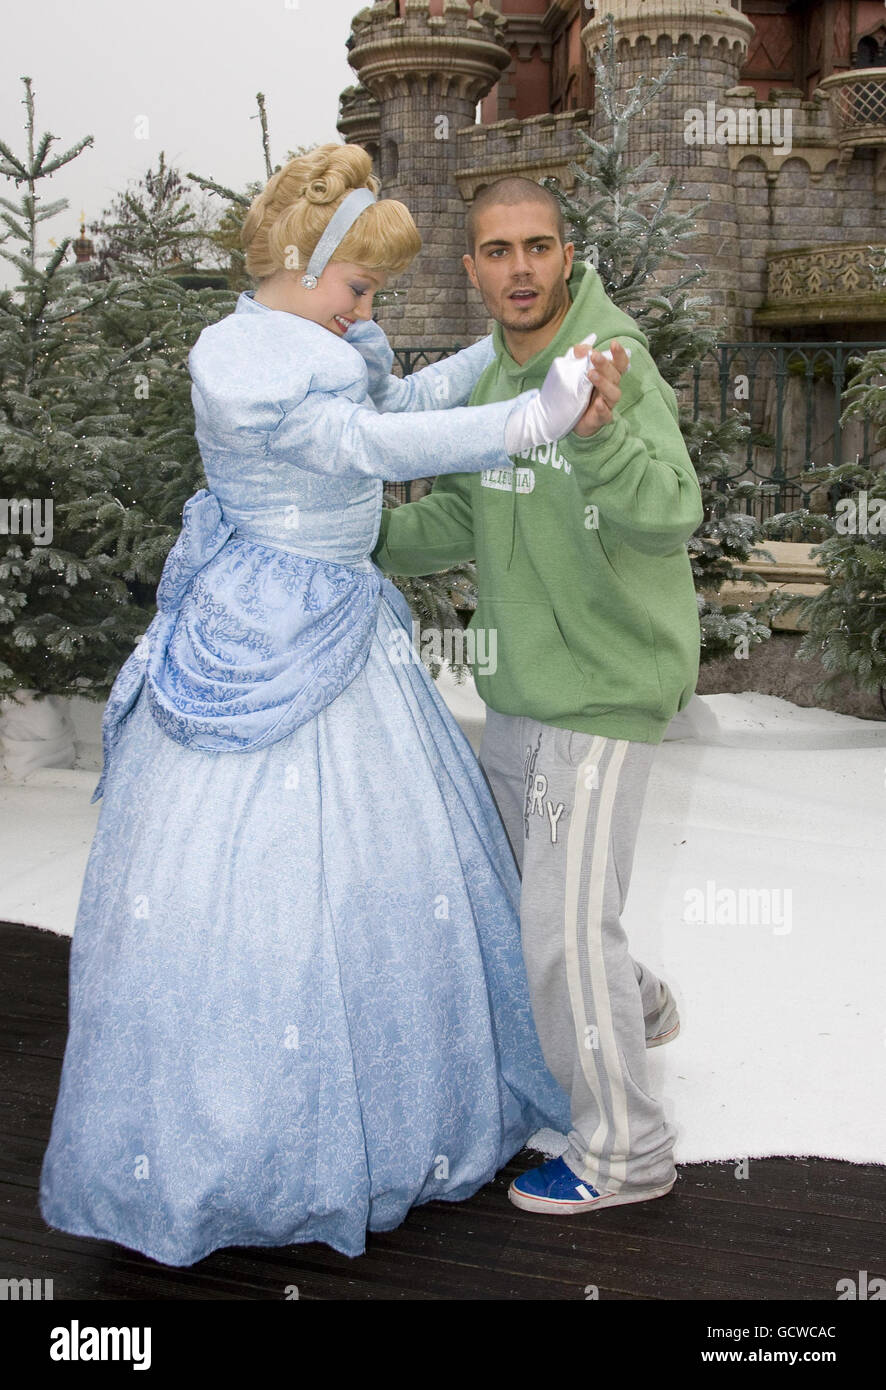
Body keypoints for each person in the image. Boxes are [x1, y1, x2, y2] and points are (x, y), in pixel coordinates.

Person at [37, 146, 606, 1266]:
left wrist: (502, 357)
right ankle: (243, 1152)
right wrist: (521, 423)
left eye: (374, 294)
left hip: (343, 621)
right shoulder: (250, 368)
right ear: (300, 268)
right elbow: (366, 443)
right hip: (267, 626)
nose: (364, 311)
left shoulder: (320, 343)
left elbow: (391, 401)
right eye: (356, 288)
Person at [372, 176, 704, 1216]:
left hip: (601, 695)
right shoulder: (491, 387)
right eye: (497, 251)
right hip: (519, 686)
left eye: (537, 247)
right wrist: (355, 537)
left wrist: (598, 436)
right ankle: (635, 1000)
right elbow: (462, 515)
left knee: (561, 925)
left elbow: (669, 512)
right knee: (533, 899)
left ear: (566, 255)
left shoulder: (612, 362)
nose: (519, 268)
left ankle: (625, 1150)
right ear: (470, 268)